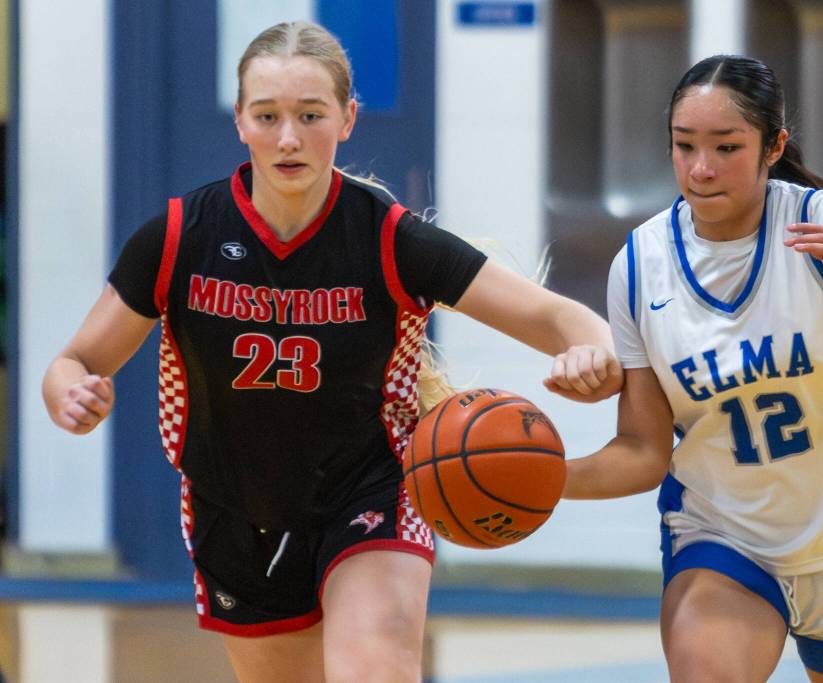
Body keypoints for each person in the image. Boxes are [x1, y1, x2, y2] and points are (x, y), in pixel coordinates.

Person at [42, 21, 622, 683]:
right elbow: (76, 360)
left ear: (347, 119)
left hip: (370, 487)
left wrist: (592, 350)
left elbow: (558, 316)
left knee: (373, 669)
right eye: (268, 115)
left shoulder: (388, 238)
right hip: (235, 508)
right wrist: (71, 390)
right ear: (240, 120)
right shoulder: (179, 237)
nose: (288, 137)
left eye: (310, 115)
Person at [562, 55, 823, 683]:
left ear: (773, 146)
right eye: (684, 146)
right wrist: (539, 478)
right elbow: (643, 450)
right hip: (723, 532)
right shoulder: (639, 264)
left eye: (726, 147)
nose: (701, 168)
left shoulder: (820, 220)